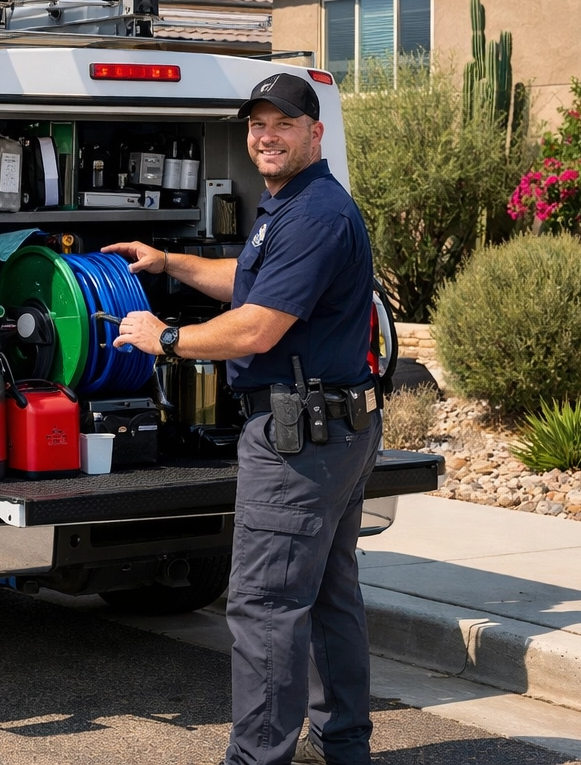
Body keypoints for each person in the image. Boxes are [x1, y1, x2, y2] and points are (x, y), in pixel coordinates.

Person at [107, 72, 381, 765]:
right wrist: (168, 259)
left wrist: (163, 338)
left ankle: (257, 758)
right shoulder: (292, 207)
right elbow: (251, 281)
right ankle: (343, 744)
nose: (265, 135)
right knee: (325, 593)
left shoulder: (315, 213)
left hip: (300, 437)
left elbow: (256, 328)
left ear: (314, 134)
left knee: (264, 604)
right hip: (333, 427)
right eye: (257, 124)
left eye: (282, 124)